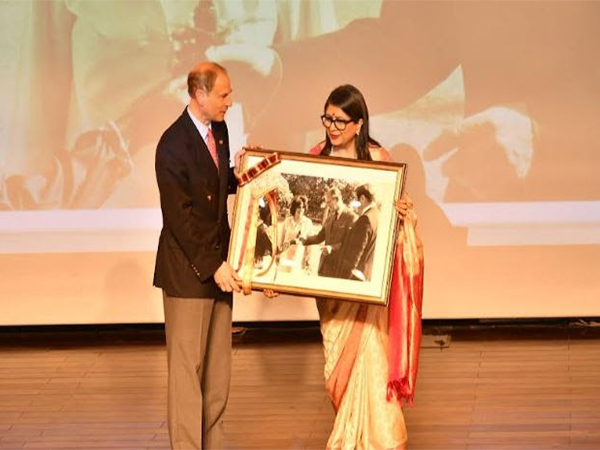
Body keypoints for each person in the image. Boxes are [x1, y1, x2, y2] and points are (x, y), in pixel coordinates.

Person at [308, 84, 423, 450]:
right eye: (327, 118)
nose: (332, 126)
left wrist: (405, 215)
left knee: (371, 359)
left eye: (340, 120)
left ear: (359, 123)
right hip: (330, 285)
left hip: (368, 287)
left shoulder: (378, 158)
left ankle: (380, 440)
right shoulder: (315, 158)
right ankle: (351, 432)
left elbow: (393, 216)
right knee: (336, 366)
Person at [153, 62, 243, 450]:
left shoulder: (218, 130)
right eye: (223, 95)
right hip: (190, 271)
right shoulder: (172, 145)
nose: (229, 101)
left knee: (217, 372)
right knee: (187, 373)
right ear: (199, 95)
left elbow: (216, 182)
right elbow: (180, 219)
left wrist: (249, 173)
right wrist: (212, 267)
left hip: (219, 264)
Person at [300, 187, 356, 278]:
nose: (327, 205)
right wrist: (305, 239)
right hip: (324, 267)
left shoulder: (352, 217)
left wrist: (332, 248)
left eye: (328, 202)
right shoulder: (329, 218)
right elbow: (319, 237)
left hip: (338, 270)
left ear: (336, 199)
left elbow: (349, 244)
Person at [336, 183, 379, 282]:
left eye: (355, 199)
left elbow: (354, 257)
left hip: (354, 279)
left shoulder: (365, 220)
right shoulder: (377, 216)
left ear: (362, 199)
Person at [278, 195, 313, 273]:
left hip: (298, 258)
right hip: (285, 257)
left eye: (303, 207)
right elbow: (281, 239)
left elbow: (309, 245)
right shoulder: (287, 221)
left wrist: (308, 259)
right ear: (294, 208)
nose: (301, 210)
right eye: (299, 207)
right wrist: (278, 254)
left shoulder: (308, 223)